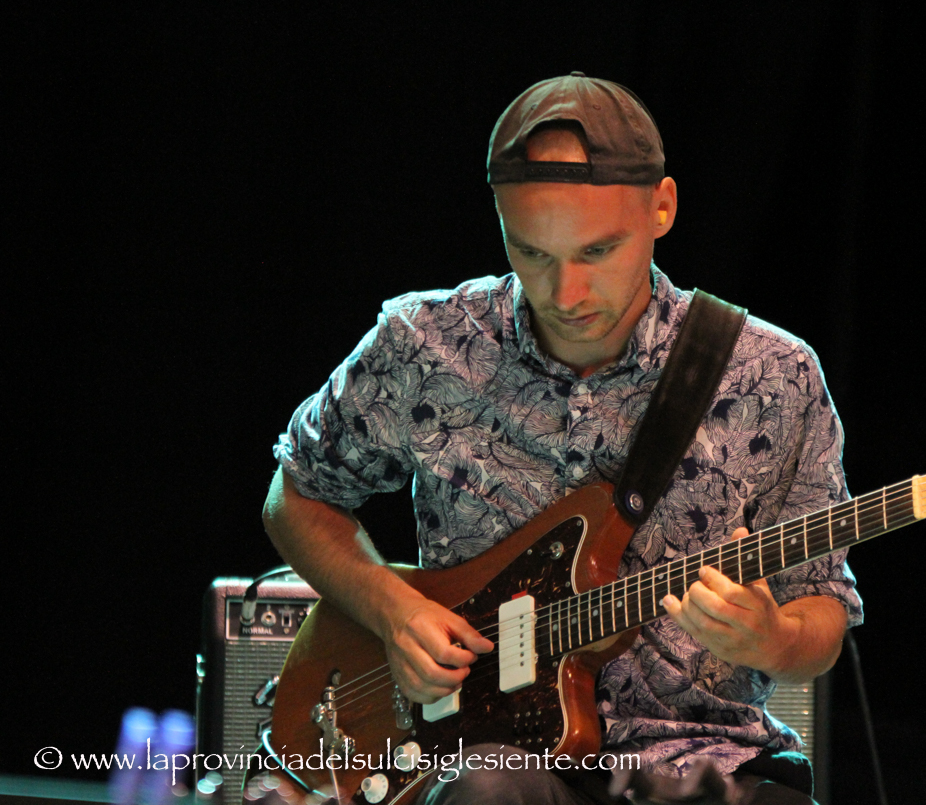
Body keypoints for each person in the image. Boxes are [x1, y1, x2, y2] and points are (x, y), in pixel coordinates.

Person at [264, 73, 862, 805]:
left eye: (598, 251)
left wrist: (773, 639)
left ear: (662, 207)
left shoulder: (773, 374)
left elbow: (820, 607)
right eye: (533, 254)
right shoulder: (424, 344)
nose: (566, 294)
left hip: (705, 760)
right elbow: (295, 495)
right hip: (489, 758)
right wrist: (393, 611)